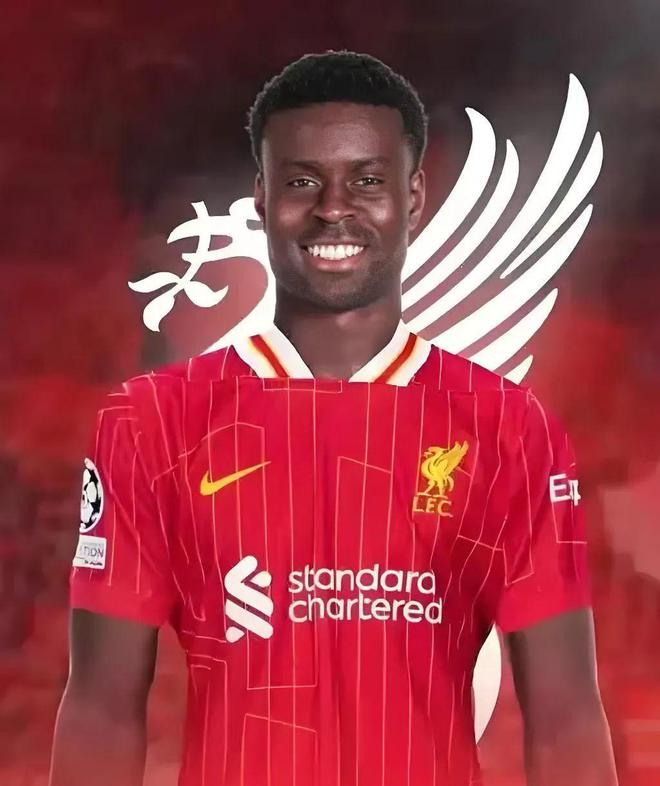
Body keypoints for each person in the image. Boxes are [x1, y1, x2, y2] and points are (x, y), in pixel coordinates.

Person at [49, 51, 618, 786]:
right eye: (301, 181)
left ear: (414, 196)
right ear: (261, 196)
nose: (333, 208)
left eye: (368, 180)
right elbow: (101, 709)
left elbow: (566, 715)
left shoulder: (510, 427)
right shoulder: (152, 420)